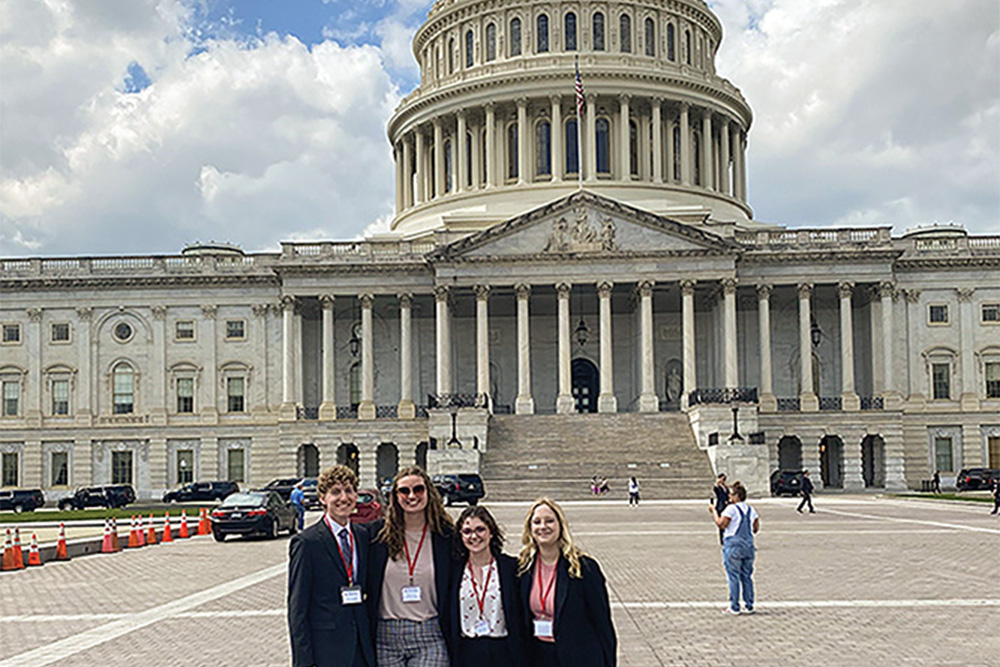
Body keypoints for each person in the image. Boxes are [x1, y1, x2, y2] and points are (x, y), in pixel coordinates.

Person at [288, 465, 374, 667]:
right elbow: (297, 609)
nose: (344, 498)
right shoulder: (307, 543)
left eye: (349, 491)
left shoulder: (363, 536)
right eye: (335, 492)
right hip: (326, 651)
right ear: (322, 498)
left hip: (362, 648)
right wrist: (304, 662)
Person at [368, 466, 454, 667]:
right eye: (404, 491)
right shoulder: (377, 535)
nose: (412, 496)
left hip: (429, 633)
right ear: (395, 496)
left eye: (418, 489)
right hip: (386, 636)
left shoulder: (445, 536)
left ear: (428, 492)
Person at [518, 498, 616, 667]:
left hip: (579, 657)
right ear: (530, 529)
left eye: (549, 521)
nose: (543, 527)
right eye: (537, 522)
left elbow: (602, 623)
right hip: (538, 656)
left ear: (560, 525)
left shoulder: (583, 568)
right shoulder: (523, 568)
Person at [447, 506, 525, 666]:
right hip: (467, 652)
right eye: (467, 531)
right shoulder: (453, 571)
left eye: (480, 529)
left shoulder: (511, 568)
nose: (474, 536)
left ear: (491, 532)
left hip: (503, 651)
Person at [709, 480, 760, 615]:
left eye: (731, 495)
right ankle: (749, 605)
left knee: (733, 576)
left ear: (737, 496)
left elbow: (721, 524)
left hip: (733, 544)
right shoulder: (751, 509)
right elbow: (755, 528)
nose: (729, 497)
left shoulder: (731, 509)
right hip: (748, 545)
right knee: (747, 576)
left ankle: (734, 606)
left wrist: (714, 512)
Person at [713, 474, 730, 544]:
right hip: (720, 506)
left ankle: (726, 537)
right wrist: (718, 482)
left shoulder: (725, 487)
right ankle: (722, 539)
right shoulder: (718, 487)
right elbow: (715, 488)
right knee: (721, 523)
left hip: (726, 506)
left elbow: (728, 494)